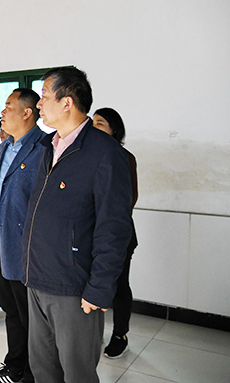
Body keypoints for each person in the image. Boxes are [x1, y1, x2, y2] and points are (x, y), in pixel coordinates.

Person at [22, 67, 133, 383]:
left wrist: (99, 289)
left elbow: (114, 228)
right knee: (42, 368)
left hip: (74, 287)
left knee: (77, 373)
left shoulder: (105, 153)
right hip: (37, 277)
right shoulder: (48, 146)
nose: (39, 104)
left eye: (44, 96)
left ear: (67, 102)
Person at [0, 89, 46, 383]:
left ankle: (33, 373)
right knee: (10, 308)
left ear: (27, 113)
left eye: (8, 106)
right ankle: (14, 366)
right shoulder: (6, 145)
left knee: (28, 312)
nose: (2, 112)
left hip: (23, 242)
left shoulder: (43, 148)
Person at [93, 107, 139, 359]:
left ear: (114, 130)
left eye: (100, 123)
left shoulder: (124, 157)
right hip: (89, 234)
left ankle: (120, 334)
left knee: (119, 285)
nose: (93, 128)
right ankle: (92, 333)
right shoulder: (87, 155)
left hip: (116, 235)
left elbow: (128, 199)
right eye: (92, 123)